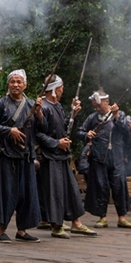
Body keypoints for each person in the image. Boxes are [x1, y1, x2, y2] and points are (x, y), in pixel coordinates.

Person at [33, 75, 97, 238]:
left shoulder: (58, 106)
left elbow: (63, 126)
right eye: (61, 88)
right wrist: (57, 143)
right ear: (56, 89)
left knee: (70, 189)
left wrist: (73, 113)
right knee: (55, 191)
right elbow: (38, 134)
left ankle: (76, 223)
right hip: (49, 155)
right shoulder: (43, 107)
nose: (62, 90)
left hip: (61, 155)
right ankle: (56, 225)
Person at [0, 69, 41, 243]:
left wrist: (39, 112)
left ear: (25, 85)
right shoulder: (1, 104)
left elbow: (41, 128)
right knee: (7, 193)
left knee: (27, 193)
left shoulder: (31, 104)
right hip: (7, 155)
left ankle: (22, 231)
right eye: (12, 82)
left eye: (19, 82)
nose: (16, 85)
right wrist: (9, 131)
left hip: (26, 155)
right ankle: (1, 231)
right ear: (8, 84)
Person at [77, 90, 131, 229]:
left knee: (119, 186)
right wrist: (86, 134)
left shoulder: (120, 116)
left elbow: (127, 132)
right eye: (94, 106)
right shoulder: (92, 118)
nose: (96, 108)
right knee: (100, 187)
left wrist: (116, 116)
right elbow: (80, 132)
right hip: (98, 157)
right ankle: (102, 217)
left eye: (98, 105)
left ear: (106, 102)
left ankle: (122, 217)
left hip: (116, 157)